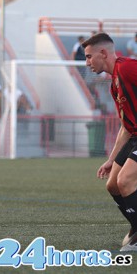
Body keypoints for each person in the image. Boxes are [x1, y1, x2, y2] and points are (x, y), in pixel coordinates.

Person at [83, 32, 137, 252]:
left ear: (103, 53)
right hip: (134, 137)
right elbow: (126, 126)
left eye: (88, 56)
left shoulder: (126, 68)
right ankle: (135, 227)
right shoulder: (114, 84)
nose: (86, 63)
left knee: (125, 181)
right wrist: (111, 159)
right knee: (113, 184)